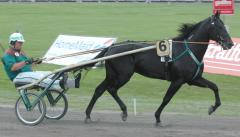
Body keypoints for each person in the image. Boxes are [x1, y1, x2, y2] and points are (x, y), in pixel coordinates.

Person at [1, 32, 80, 91]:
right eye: (19, 42)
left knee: (50, 74)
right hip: (18, 77)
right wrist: (26, 62)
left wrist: (36, 62)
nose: (21, 44)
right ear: (13, 42)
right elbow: (13, 68)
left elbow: (28, 64)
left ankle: (73, 83)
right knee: (41, 78)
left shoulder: (20, 52)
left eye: (22, 42)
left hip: (29, 74)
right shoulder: (7, 55)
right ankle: (59, 83)